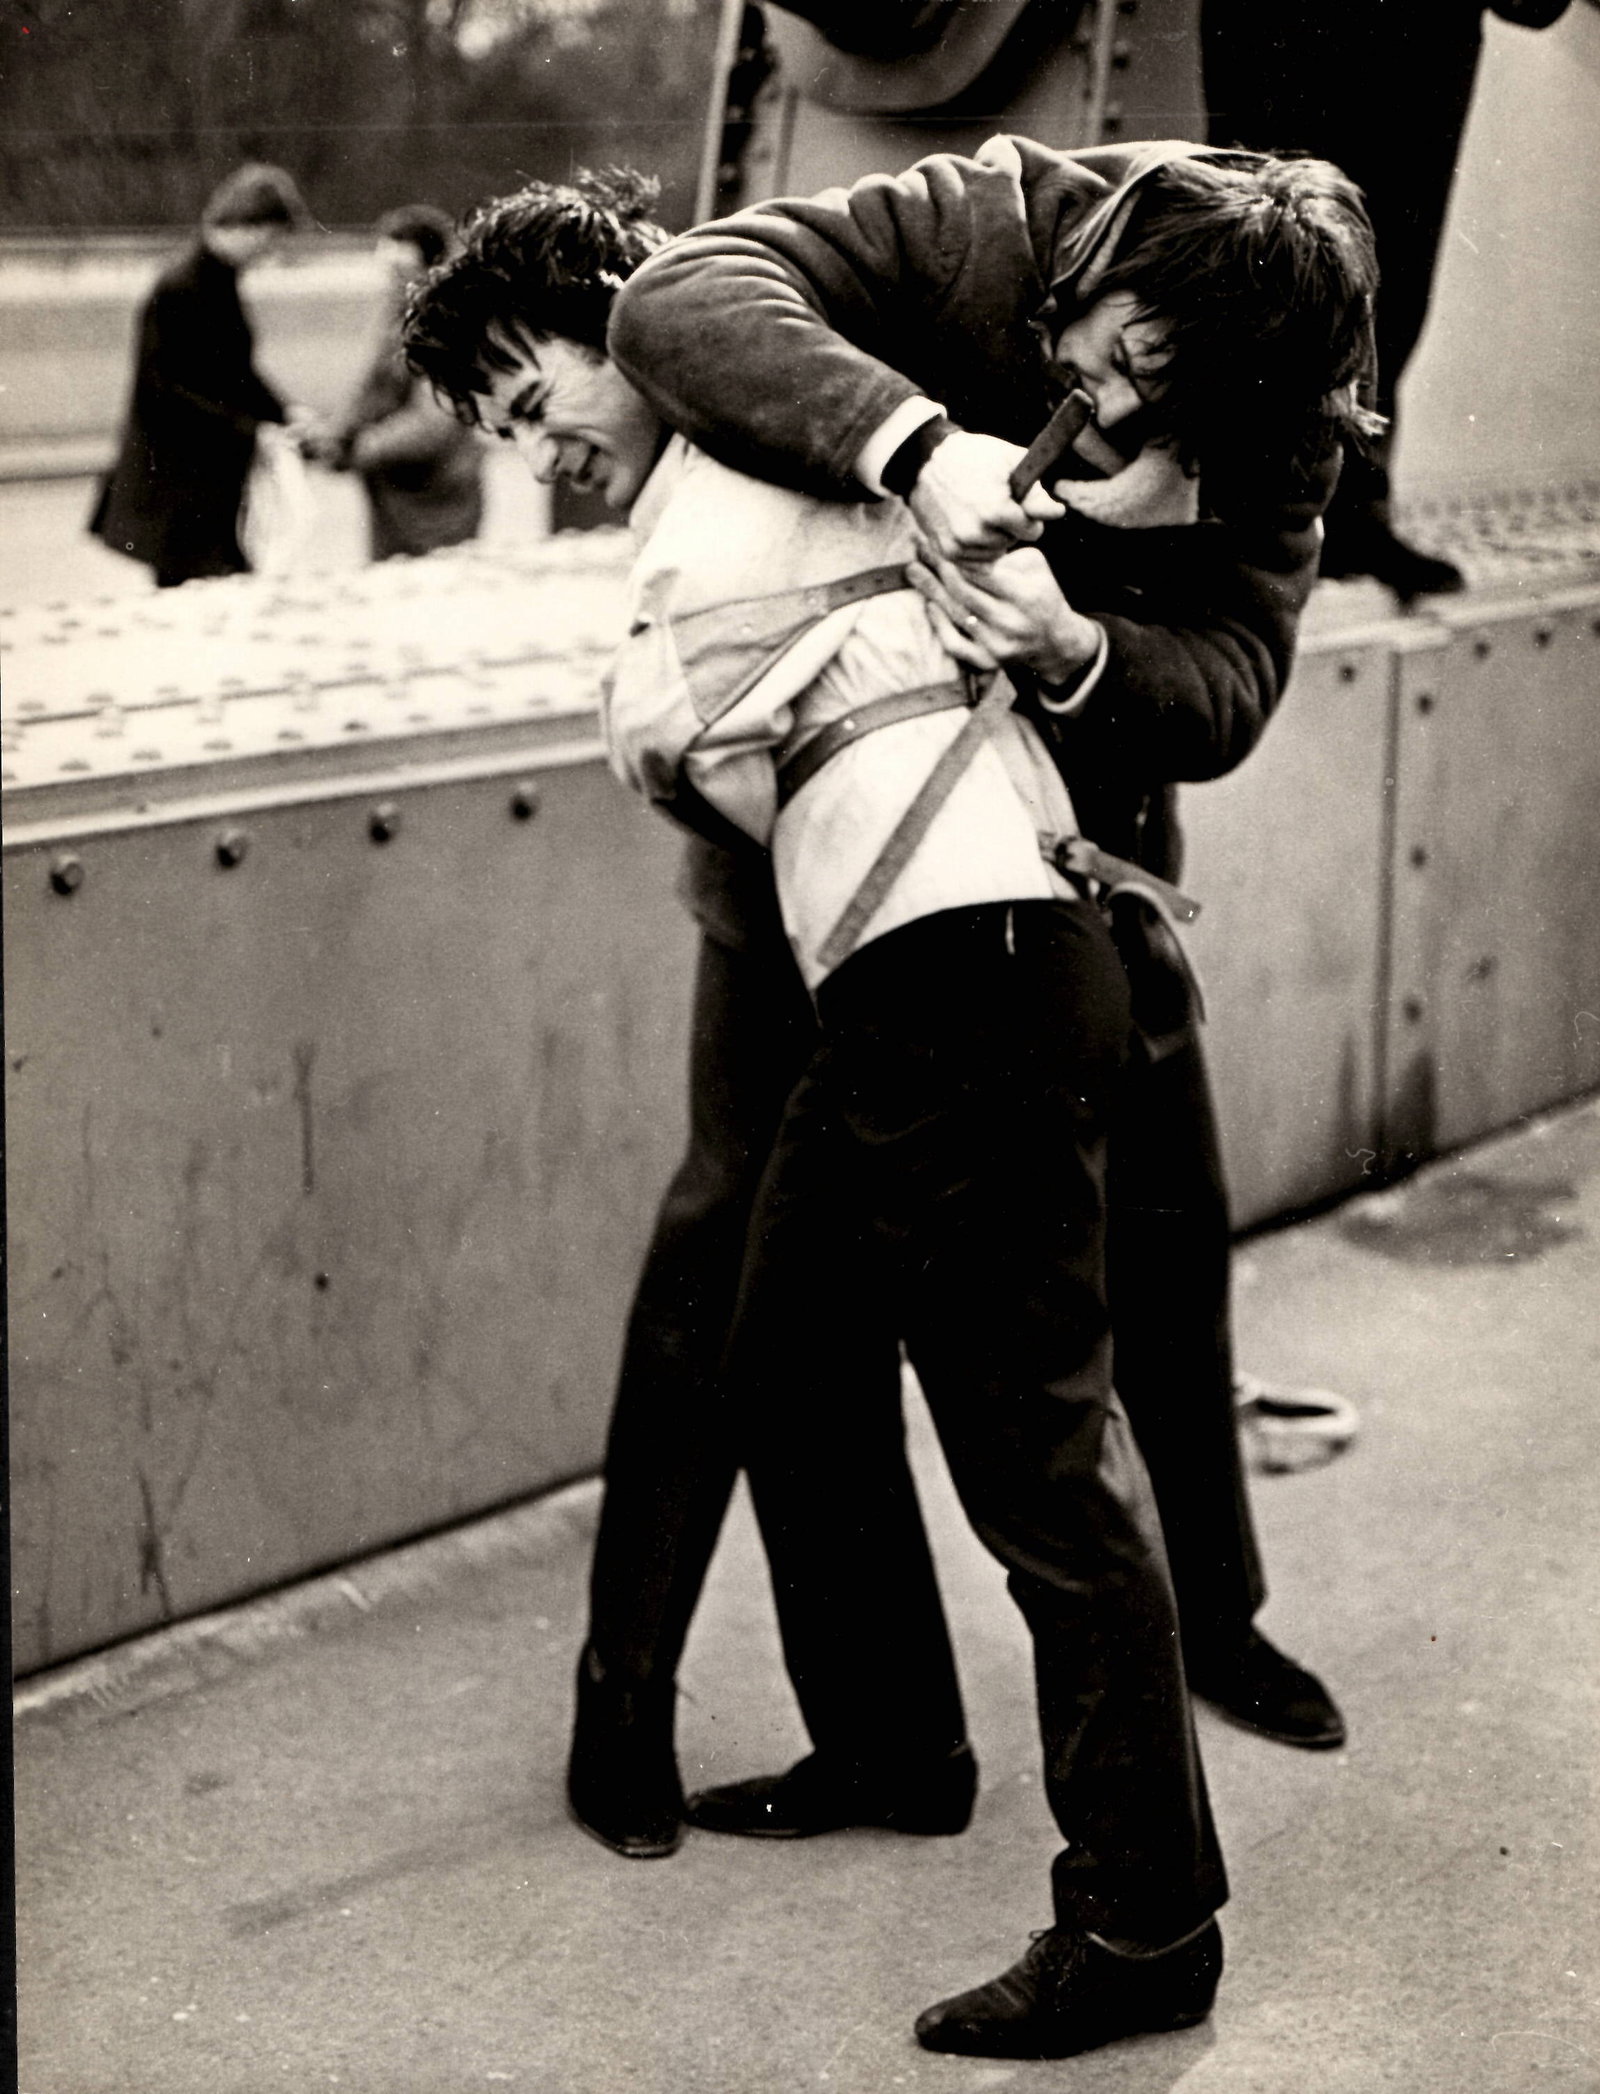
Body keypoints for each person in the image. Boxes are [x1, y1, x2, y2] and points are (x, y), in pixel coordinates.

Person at [407, 152, 1377, 2059]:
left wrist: (1074, 648)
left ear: (1244, 401)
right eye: (1101, 347)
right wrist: (929, 455)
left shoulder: (1274, 425)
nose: (1098, 393)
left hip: (994, 929)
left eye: (1152, 391)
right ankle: (896, 1741)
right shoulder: (983, 224)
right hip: (894, 938)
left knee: (1043, 1448)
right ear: (1083, 263)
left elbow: (1230, 676)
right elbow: (685, 296)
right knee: (784, 1335)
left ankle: (1146, 1919)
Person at [1202, 0, 1574, 599]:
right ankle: (1253, 517)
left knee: (1390, 275)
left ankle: (1350, 512)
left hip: (1423, 32)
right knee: (1270, 246)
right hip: (1291, 26)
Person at [90, 162, 310, 588]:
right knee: (203, 593)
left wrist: (283, 411)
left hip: (197, 479)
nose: (269, 254)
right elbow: (164, 389)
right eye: (270, 240)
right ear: (249, 227)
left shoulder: (211, 278)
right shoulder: (183, 286)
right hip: (181, 485)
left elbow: (232, 371)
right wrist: (252, 429)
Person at [312, 204, 485, 561]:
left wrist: (358, 450)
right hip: (393, 492)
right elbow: (372, 388)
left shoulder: (448, 325)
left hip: (438, 498)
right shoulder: (396, 317)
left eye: (400, 271)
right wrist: (335, 434)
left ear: (428, 268)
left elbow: (433, 423)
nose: (391, 282)